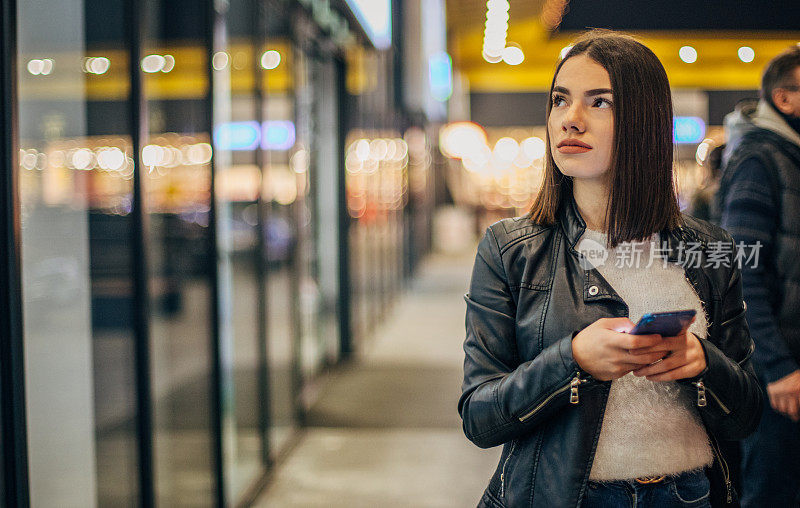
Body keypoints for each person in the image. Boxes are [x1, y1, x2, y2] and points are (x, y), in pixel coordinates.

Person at [459, 30, 762, 508]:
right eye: (560, 100)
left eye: (599, 102)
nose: (570, 120)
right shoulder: (510, 250)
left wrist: (704, 365)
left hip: (687, 495)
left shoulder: (710, 250)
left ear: (643, 121)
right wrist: (572, 361)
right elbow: (479, 415)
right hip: (565, 498)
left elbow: (747, 413)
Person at [717, 45, 800, 507]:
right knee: (772, 491)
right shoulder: (760, 160)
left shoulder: (791, 155)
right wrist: (779, 369)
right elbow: (739, 274)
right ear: (785, 99)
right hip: (779, 376)